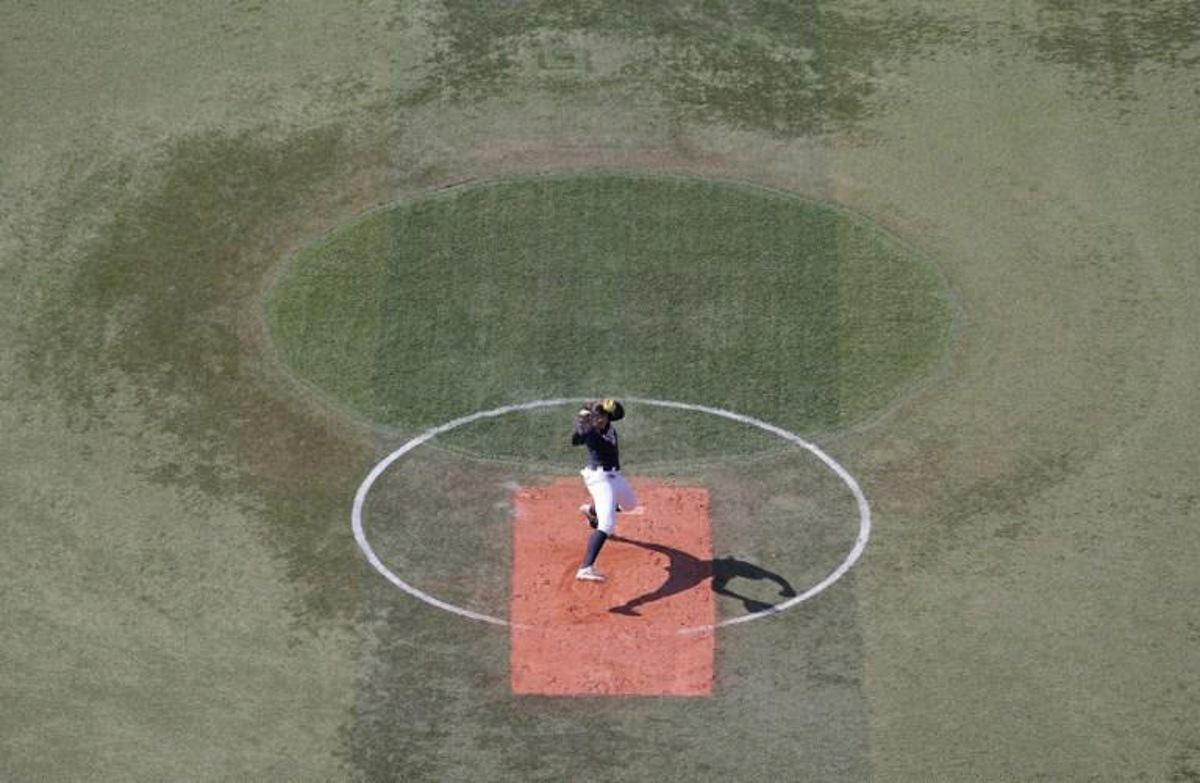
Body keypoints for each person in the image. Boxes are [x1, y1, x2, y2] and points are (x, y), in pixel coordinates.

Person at [571, 398, 637, 581]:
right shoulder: (589, 431)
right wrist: (582, 419)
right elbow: (576, 440)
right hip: (599, 479)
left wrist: (608, 403)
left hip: (615, 477)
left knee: (631, 505)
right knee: (606, 525)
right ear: (592, 418)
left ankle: (591, 510)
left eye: (603, 416)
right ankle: (586, 568)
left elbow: (620, 413)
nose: (600, 420)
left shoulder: (608, 426)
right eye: (596, 416)